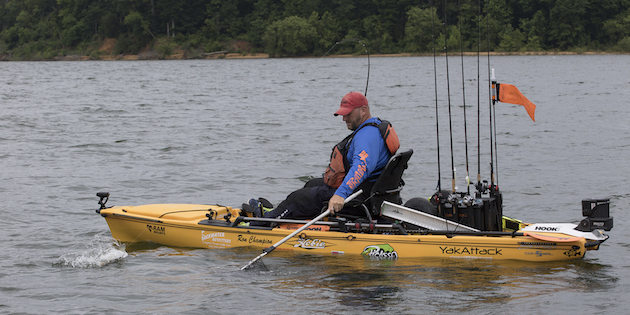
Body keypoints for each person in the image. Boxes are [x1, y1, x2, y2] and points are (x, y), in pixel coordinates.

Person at [245, 91, 399, 225]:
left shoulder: (366, 136)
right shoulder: (375, 127)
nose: (344, 118)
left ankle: (262, 222)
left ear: (363, 110)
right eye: (343, 114)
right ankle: (286, 214)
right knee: (311, 184)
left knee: (297, 198)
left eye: (348, 113)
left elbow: (361, 168)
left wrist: (340, 194)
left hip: (359, 198)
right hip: (370, 192)